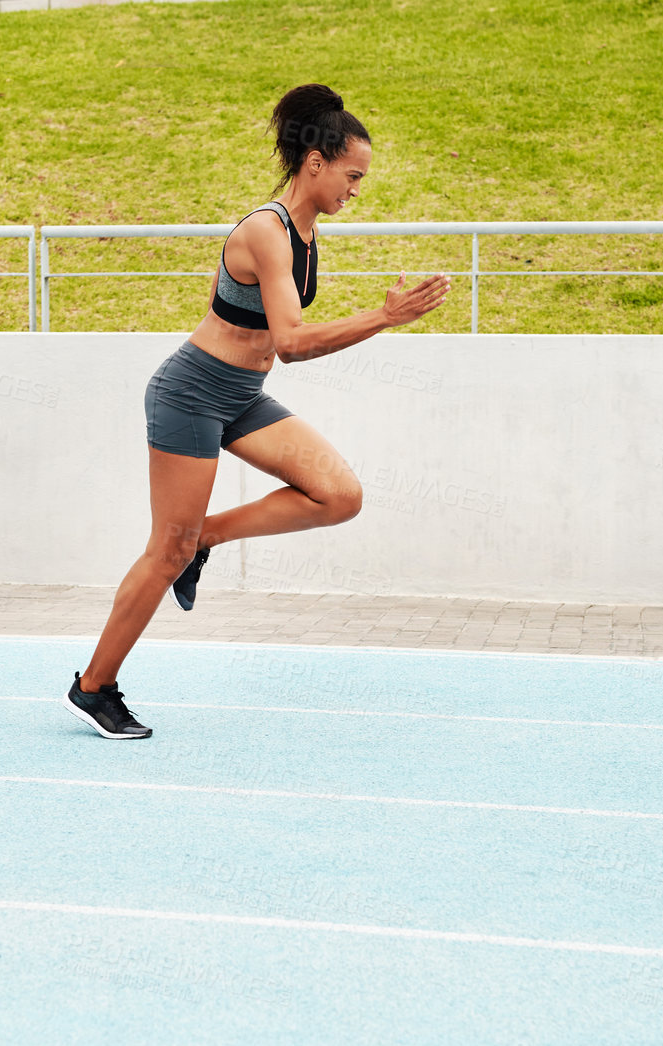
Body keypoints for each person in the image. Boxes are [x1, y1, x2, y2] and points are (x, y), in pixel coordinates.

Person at [65, 83, 451, 739]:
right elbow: (293, 343)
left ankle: (206, 539)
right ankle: (93, 686)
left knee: (338, 494)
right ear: (315, 162)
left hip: (240, 395)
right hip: (191, 392)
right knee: (165, 550)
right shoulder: (266, 231)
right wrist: (384, 317)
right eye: (352, 175)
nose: (357, 188)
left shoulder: (306, 232)